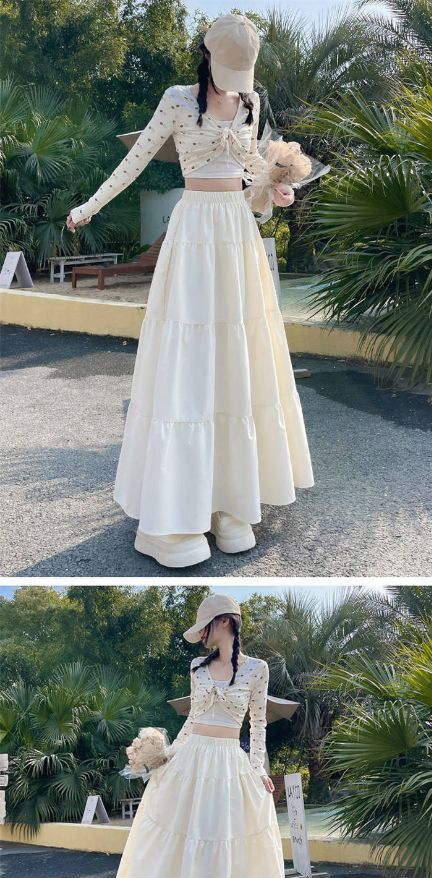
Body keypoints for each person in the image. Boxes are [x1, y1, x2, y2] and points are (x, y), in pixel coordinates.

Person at [66, 13, 314, 570]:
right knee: (190, 363)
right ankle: (175, 515)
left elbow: (250, 170)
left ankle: (231, 503)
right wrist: (88, 206)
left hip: (237, 233)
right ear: (207, 56)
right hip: (195, 229)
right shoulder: (177, 100)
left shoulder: (250, 104)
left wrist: (278, 188)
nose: (237, 82)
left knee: (236, 361)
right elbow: (134, 162)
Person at [106, 592, 299, 878]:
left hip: (230, 765)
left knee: (228, 862)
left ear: (224, 622)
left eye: (206, 627)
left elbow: (258, 726)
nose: (203, 637)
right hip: (193, 762)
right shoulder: (197, 666)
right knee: (187, 861)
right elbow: (192, 721)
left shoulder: (257, 669)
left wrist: (258, 770)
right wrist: (164, 757)